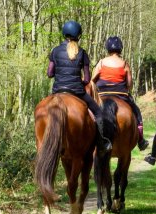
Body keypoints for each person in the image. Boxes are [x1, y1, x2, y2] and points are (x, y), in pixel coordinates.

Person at [47, 20, 112, 154]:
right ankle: (101, 144)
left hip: (58, 90)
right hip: (76, 91)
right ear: (79, 35)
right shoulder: (82, 52)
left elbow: (49, 73)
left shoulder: (55, 51)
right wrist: (78, 81)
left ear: (64, 34)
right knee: (98, 112)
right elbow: (87, 79)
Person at [91, 36, 149, 150]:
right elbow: (129, 83)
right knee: (137, 113)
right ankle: (141, 140)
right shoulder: (124, 63)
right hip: (121, 94)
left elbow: (93, 79)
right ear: (120, 49)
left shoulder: (101, 62)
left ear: (107, 48)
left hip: (102, 95)